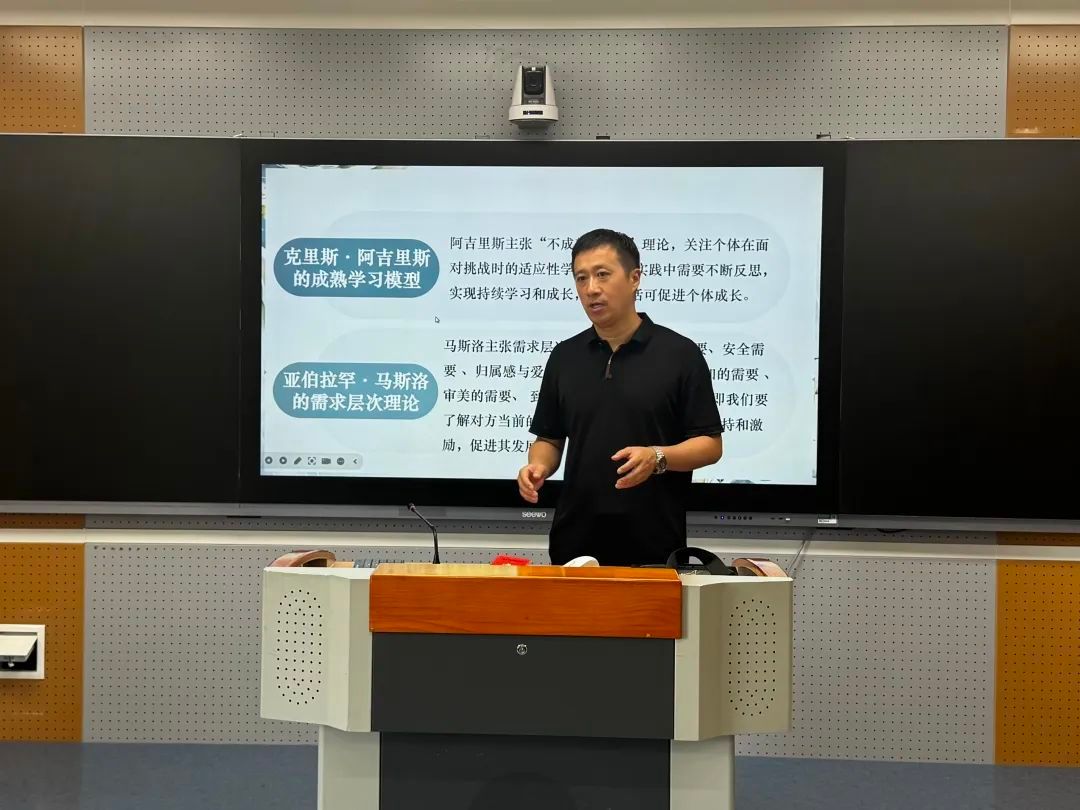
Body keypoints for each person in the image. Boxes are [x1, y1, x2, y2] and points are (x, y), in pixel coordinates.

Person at [517, 228, 724, 566]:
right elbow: (549, 439)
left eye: (602, 274)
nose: (591, 289)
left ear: (634, 278)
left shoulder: (680, 354)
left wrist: (657, 456)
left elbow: (710, 445)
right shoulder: (565, 356)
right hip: (575, 545)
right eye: (581, 278)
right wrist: (538, 466)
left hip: (653, 546)